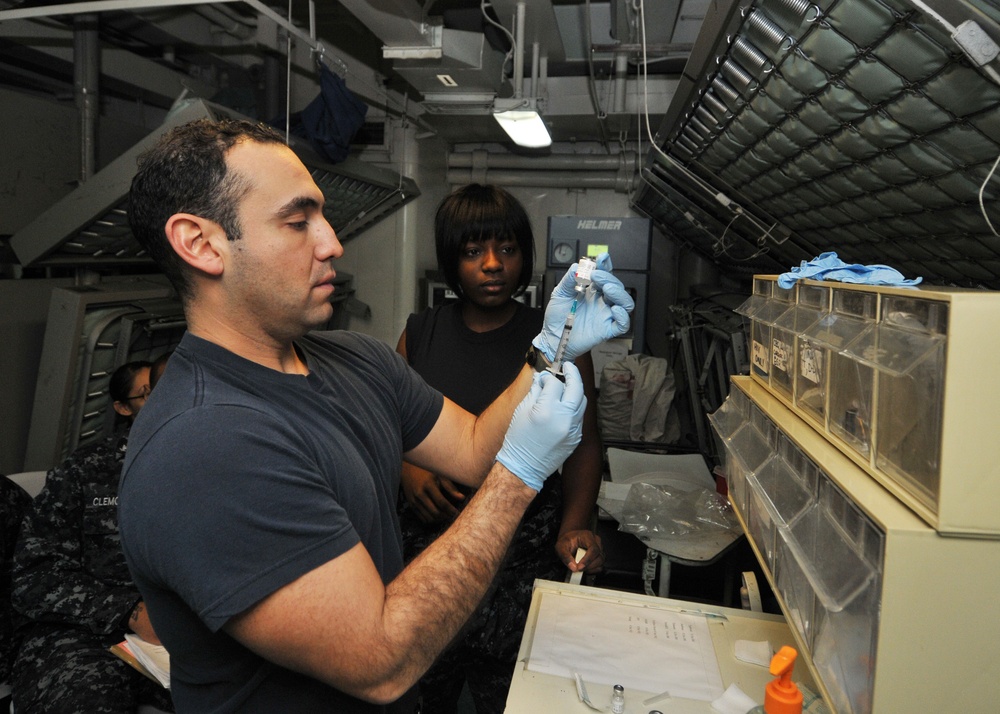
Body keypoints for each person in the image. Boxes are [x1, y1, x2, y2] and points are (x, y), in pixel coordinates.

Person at [118, 117, 633, 713]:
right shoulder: (206, 442)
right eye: (296, 221)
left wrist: (552, 346)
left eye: (323, 216)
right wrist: (518, 477)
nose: (332, 242)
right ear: (201, 244)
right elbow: (380, 660)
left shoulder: (354, 360)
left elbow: (469, 448)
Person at [396, 184, 604, 713]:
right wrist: (407, 471)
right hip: (431, 555)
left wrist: (576, 524)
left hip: (523, 559)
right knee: (421, 694)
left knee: (516, 698)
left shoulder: (556, 339)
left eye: (507, 250)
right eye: (473, 252)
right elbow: (387, 423)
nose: (492, 265)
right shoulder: (421, 332)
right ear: (451, 261)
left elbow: (584, 443)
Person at [10, 361, 174, 714]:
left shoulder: (225, 470)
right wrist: (129, 611)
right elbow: (34, 575)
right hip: (83, 634)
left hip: (188, 640)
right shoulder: (87, 470)